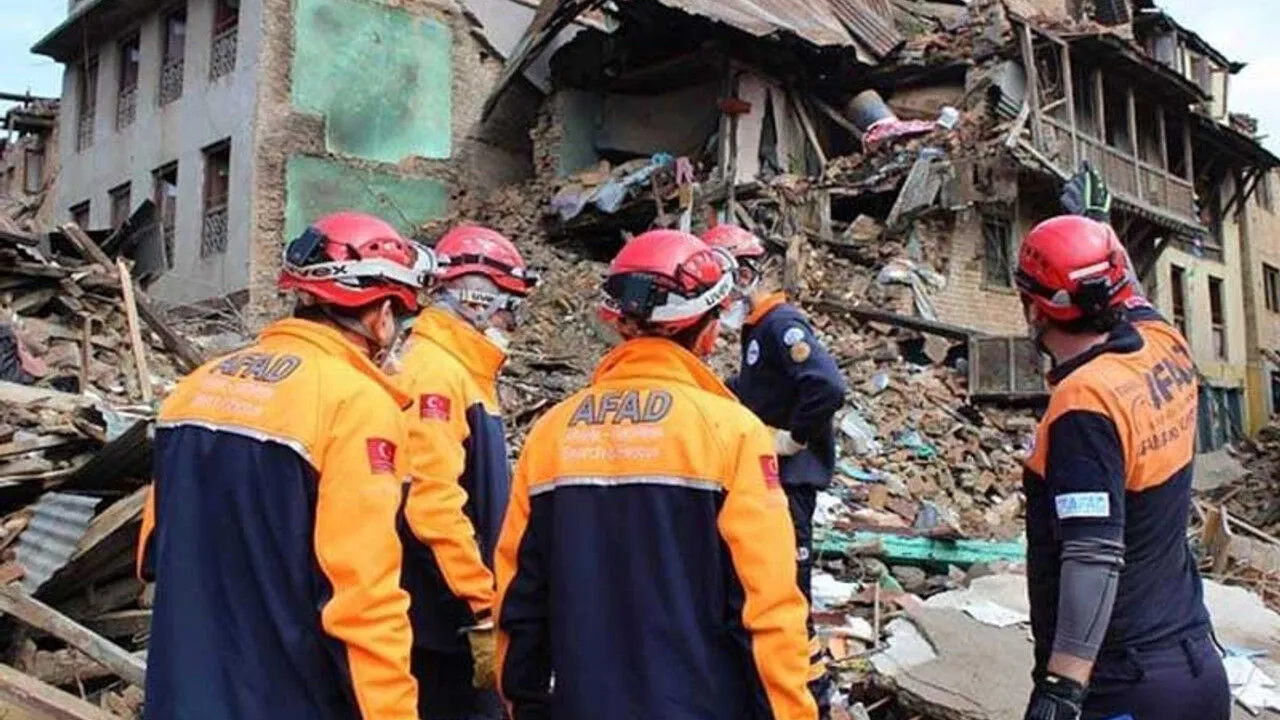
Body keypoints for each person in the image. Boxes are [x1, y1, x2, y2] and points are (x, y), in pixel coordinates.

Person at [493, 229, 817, 720]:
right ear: (706, 331)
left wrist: (526, 706)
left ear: (622, 325)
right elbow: (768, 611)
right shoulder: (732, 434)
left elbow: (519, 606)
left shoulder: (551, 436)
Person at [137, 211, 432, 720]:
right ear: (382, 315)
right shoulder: (357, 407)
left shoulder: (196, 387)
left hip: (180, 697)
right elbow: (363, 603)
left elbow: (152, 552)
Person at [1016, 216, 1229, 720]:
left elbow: (1092, 553)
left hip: (1124, 687)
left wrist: (1060, 690)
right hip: (1196, 668)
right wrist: (1098, 231)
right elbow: (1130, 294)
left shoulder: (1084, 403)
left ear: (1032, 308)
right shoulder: (1163, 344)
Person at [390, 224, 539, 720]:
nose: (511, 320)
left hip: (443, 609)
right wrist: (479, 604)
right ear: (477, 300)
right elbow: (431, 500)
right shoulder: (435, 372)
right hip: (439, 618)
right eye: (509, 305)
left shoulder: (461, 370)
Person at [703, 224, 847, 714]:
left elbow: (826, 385)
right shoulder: (757, 329)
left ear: (742, 274)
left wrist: (794, 437)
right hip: (772, 482)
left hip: (791, 479)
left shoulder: (780, 324)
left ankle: (811, 696)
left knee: (789, 593)